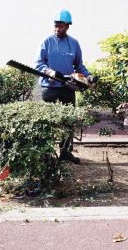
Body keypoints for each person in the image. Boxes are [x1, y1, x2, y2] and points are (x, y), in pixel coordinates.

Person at [35, 9, 95, 164]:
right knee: (47, 121)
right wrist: (49, 71)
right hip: (50, 88)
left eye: (61, 26)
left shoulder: (74, 44)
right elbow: (38, 64)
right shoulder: (46, 42)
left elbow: (79, 65)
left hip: (68, 88)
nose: (57, 28)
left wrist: (88, 76)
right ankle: (45, 154)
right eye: (55, 25)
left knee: (68, 122)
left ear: (68, 26)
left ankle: (65, 152)